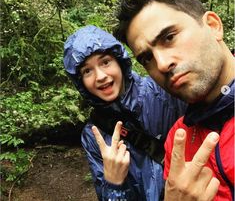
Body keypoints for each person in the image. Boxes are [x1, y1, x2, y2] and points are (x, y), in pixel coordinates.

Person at [114, 0, 234, 201]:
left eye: (169, 37)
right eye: (147, 58)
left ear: (213, 25)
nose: (161, 64)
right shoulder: (178, 141)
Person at [63, 25, 186, 201]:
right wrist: (113, 183)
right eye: (87, 71)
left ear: (120, 62)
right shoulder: (93, 136)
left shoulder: (163, 92)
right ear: (80, 82)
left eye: (105, 62)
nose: (100, 76)